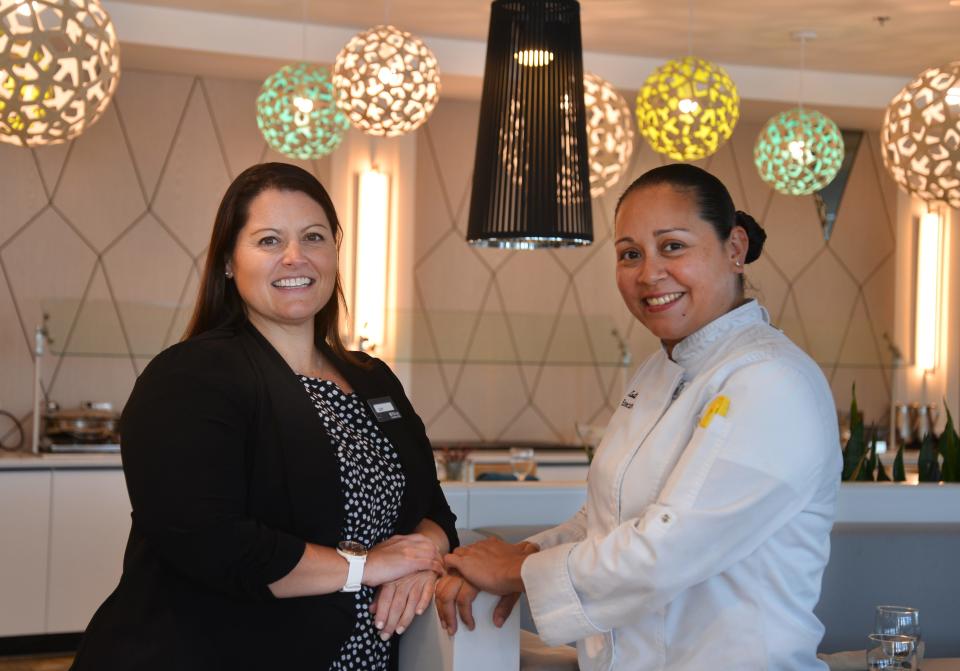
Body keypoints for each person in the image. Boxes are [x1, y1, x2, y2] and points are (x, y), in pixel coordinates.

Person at [437, 163, 842, 670]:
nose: (649, 273)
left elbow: (668, 548)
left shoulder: (771, 379)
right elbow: (604, 519)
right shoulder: (657, 371)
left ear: (735, 248)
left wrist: (519, 571)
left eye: (673, 246)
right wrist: (519, 554)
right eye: (631, 254)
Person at [71, 162, 458, 671]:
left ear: (336, 253)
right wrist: (364, 567)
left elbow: (435, 511)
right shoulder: (191, 377)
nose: (295, 257)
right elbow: (209, 541)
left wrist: (419, 559)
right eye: (269, 240)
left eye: (313, 237)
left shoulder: (374, 379)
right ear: (229, 262)